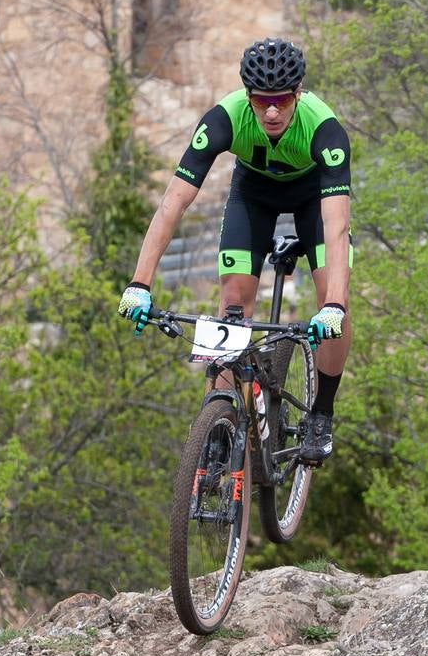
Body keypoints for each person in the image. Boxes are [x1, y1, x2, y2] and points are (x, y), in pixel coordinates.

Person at [118, 37, 352, 465]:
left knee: (330, 294)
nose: (273, 112)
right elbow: (173, 203)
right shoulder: (224, 119)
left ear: (298, 94)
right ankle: (220, 414)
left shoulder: (325, 129)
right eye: (263, 102)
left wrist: (334, 305)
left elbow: (336, 228)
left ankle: (322, 412)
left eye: (282, 100)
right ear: (249, 97)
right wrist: (139, 283)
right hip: (253, 197)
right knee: (232, 303)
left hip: (312, 200)